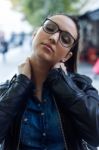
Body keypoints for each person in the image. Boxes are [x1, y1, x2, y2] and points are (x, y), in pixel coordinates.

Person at [0, 13, 99, 150]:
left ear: (67, 56)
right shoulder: (5, 90)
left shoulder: (82, 87)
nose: (53, 38)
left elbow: (96, 135)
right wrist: (20, 85)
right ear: (35, 34)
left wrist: (63, 85)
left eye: (65, 39)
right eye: (50, 28)